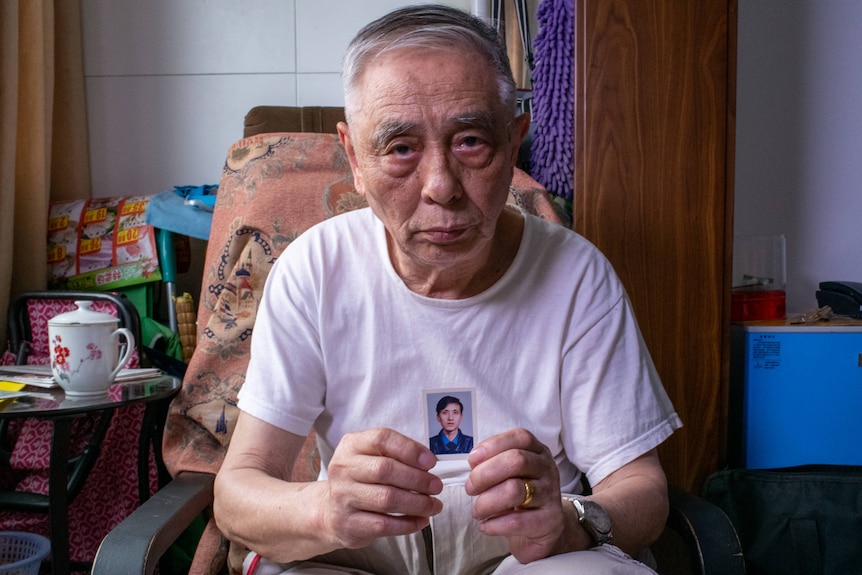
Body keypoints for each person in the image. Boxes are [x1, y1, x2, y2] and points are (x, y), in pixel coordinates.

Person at [213, 5, 682, 574]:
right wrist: (324, 509)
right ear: (355, 158)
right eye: (401, 148)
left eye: (470, 142)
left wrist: (571, 523)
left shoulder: (576, 275)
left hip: (527, 555)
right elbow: (238, 493)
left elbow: (640, 488)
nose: (440, 187)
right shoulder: (314, 269)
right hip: (358, 556)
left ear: (514, 143)